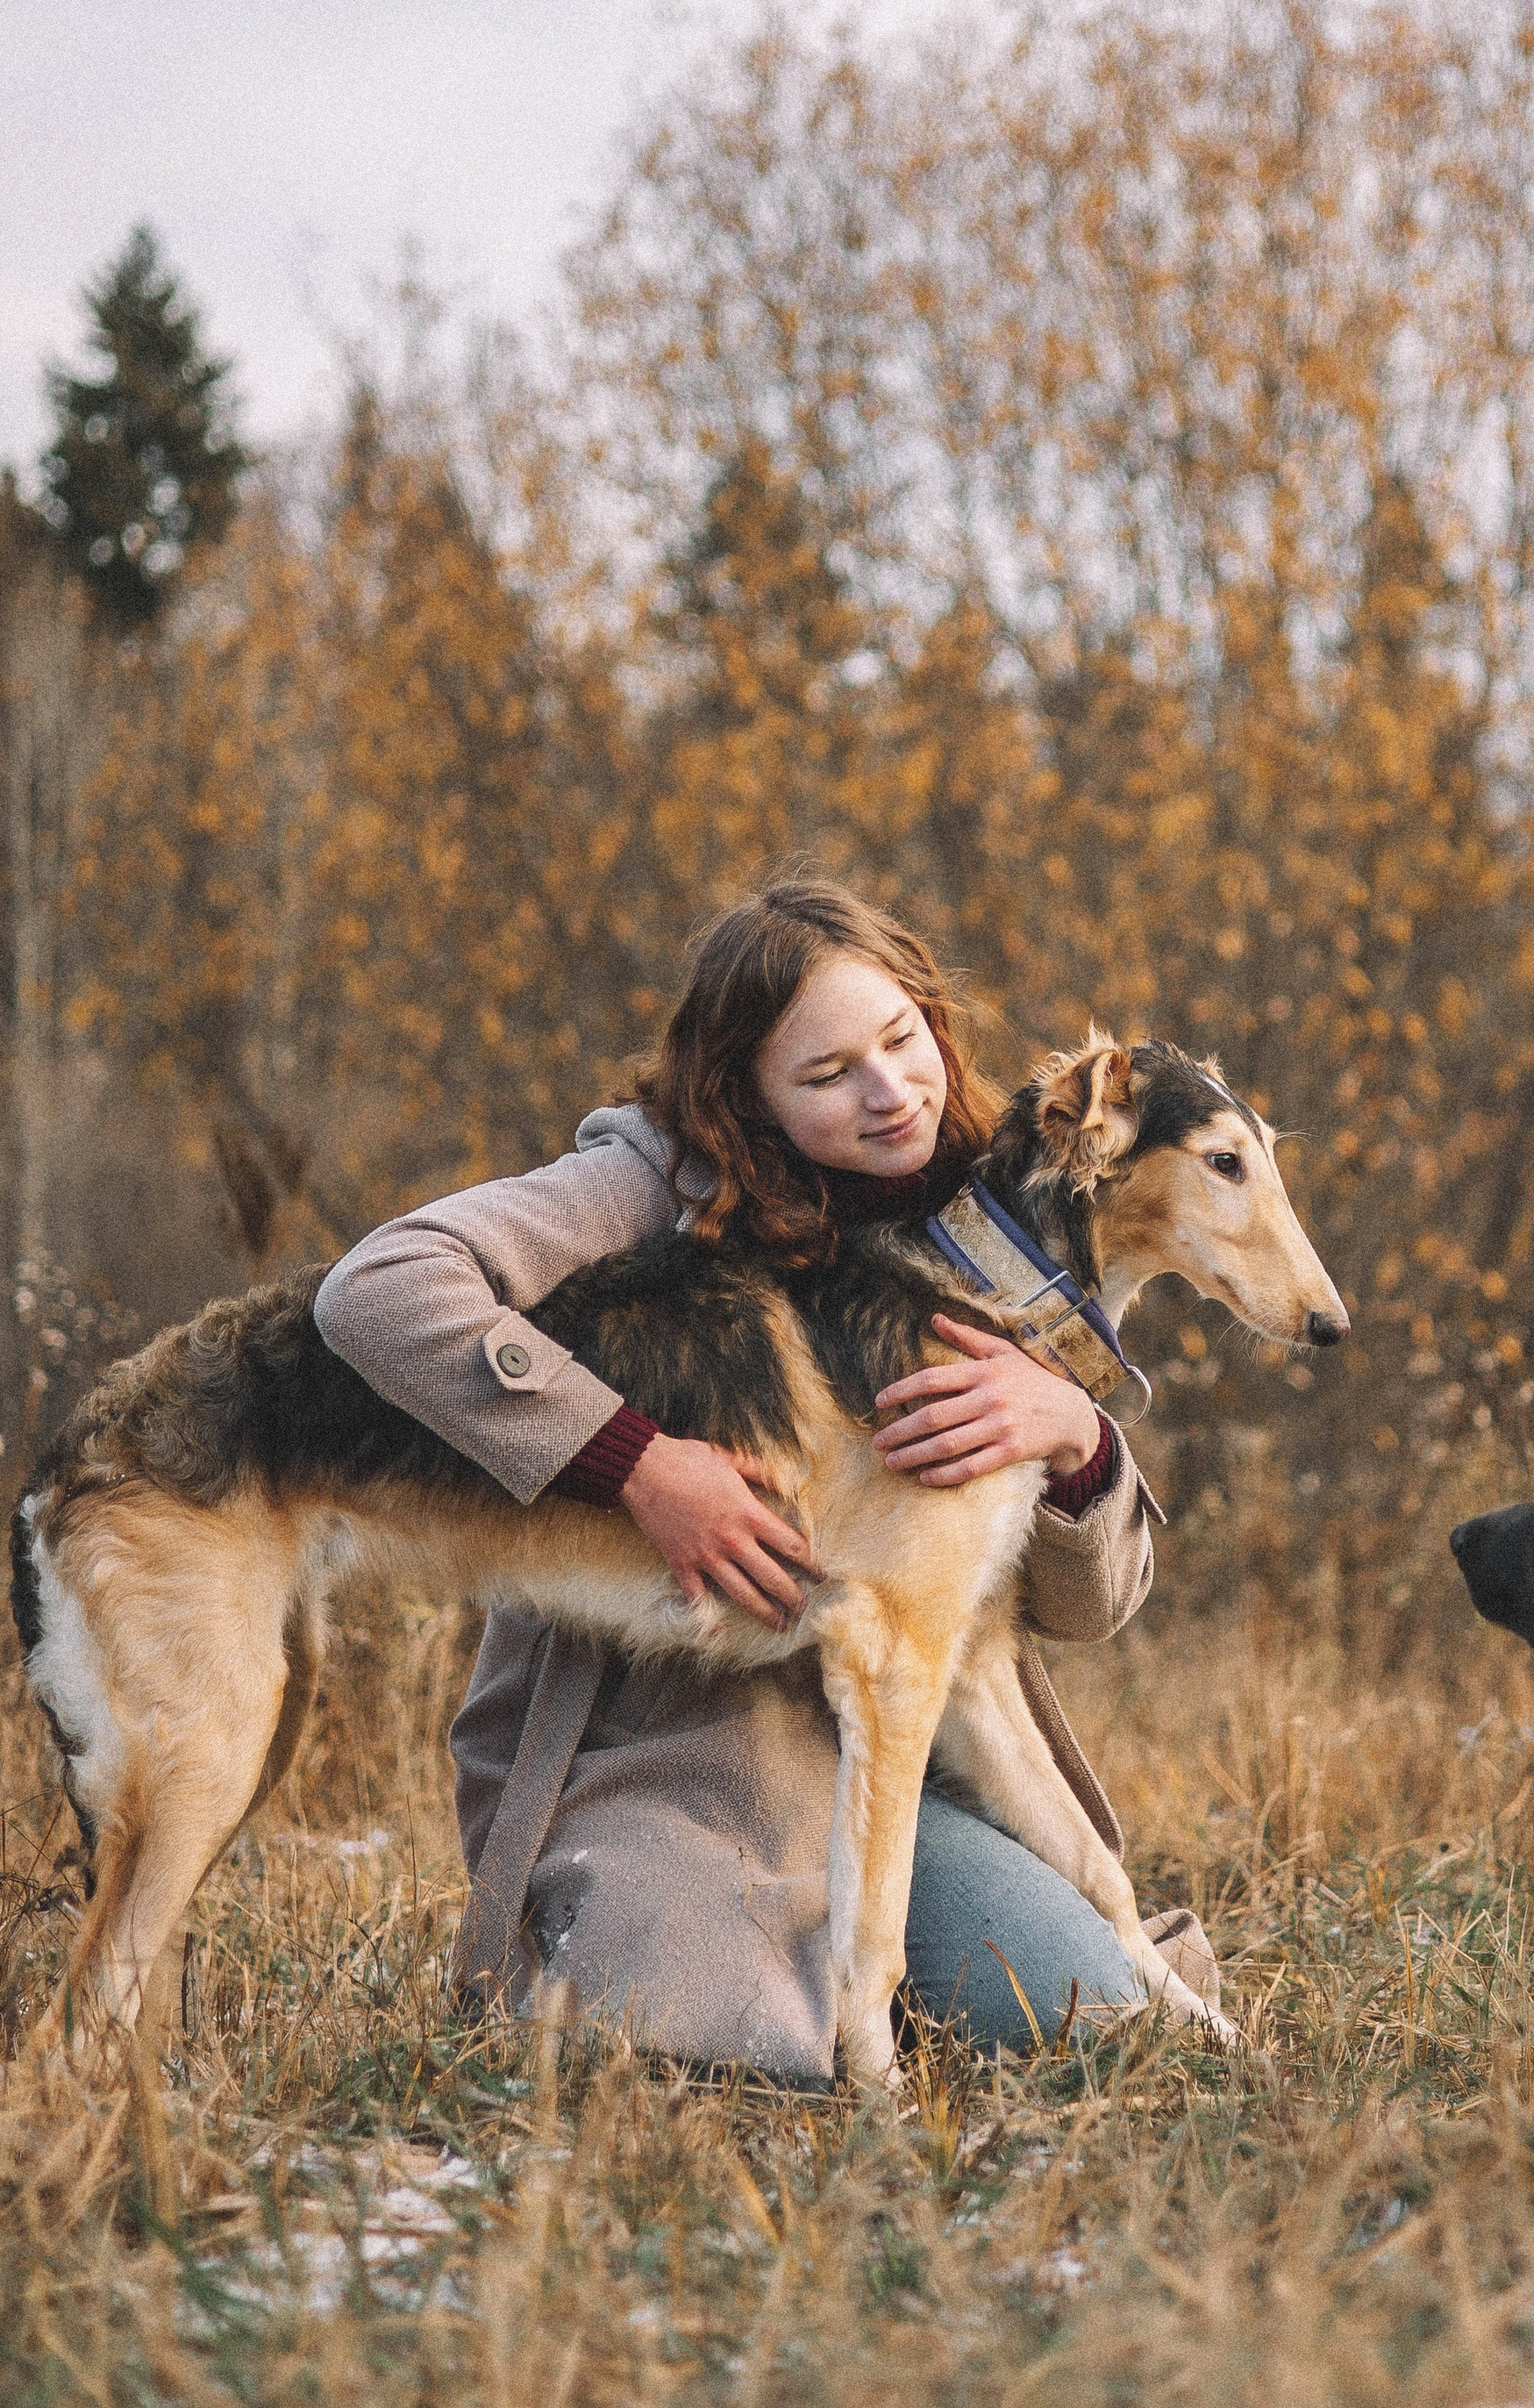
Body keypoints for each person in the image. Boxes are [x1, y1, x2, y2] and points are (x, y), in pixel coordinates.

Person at [311, 878, 1216, 2080]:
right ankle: (655, 1959)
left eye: (902, 1042)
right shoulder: (643, 1187)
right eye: (828, 1073)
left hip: (912, 1771)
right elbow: (381, 1286)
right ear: (747, 1096)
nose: (888, 1091)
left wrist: (1075, 1436)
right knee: (737, 2059)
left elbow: (1088, 1610)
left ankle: (899, 1974)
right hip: (674, 1778)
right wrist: (633, 1463)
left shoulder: (997, 1215)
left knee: (1095, 2019)